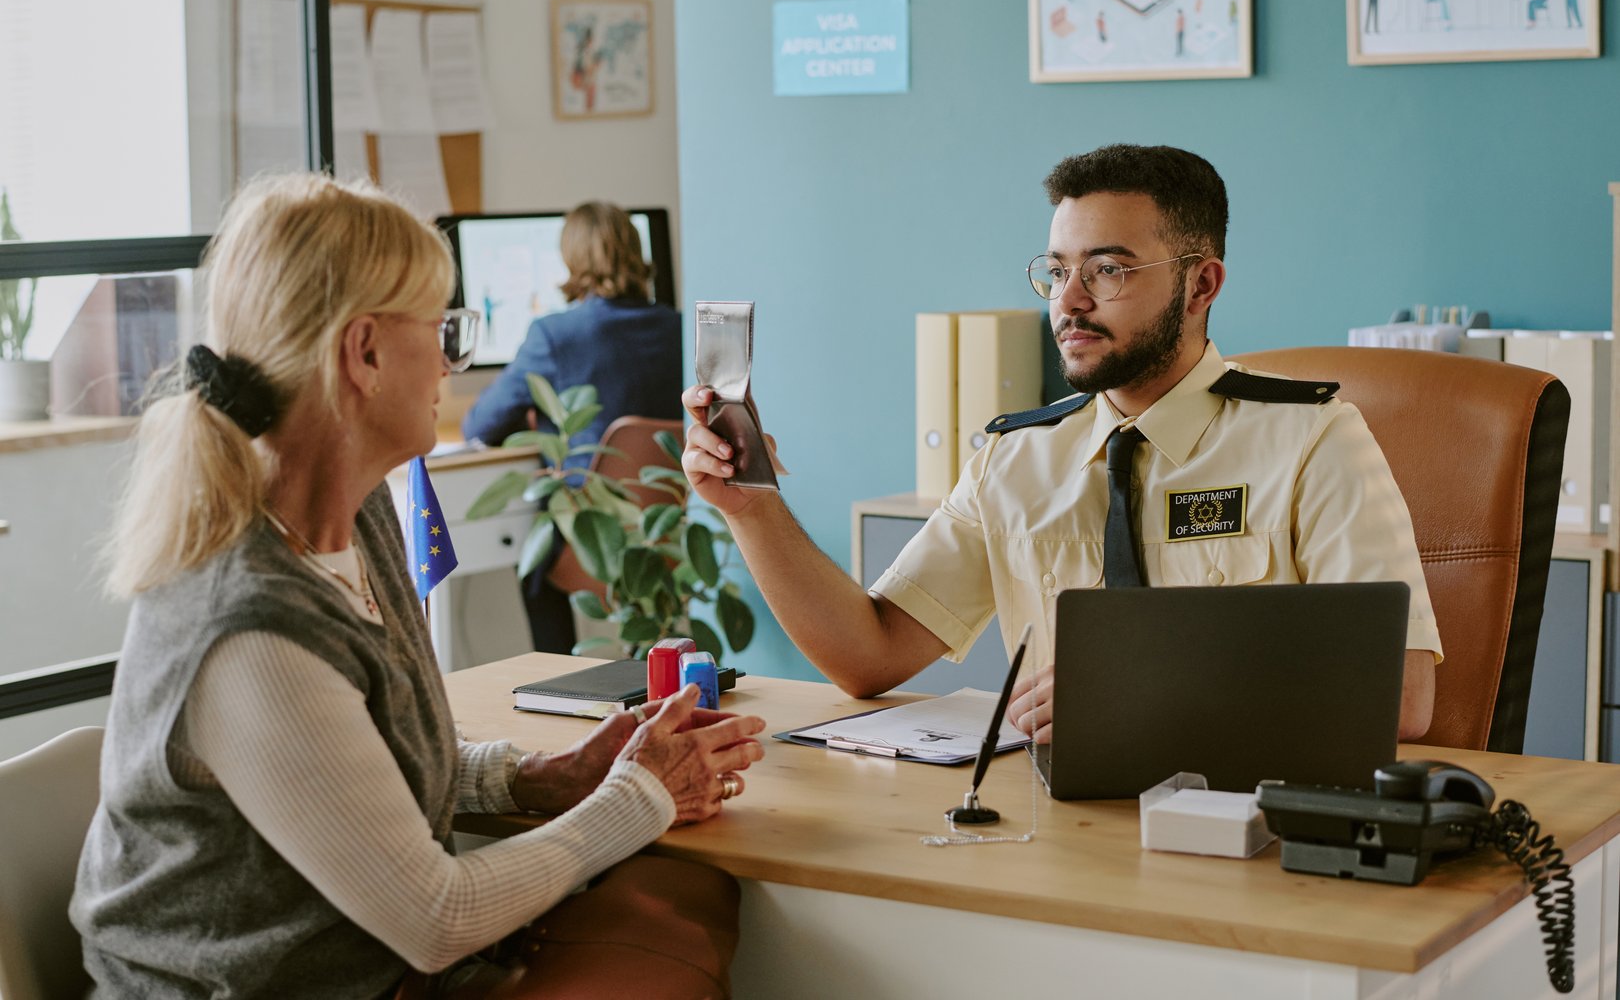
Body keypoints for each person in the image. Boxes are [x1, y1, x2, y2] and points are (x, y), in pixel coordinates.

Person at [73, 173, 764, 999]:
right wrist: (642, 793)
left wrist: (540, 776)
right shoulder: (249, 630)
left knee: (695, 897)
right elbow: (435, 919)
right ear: (363, 353)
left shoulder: (359, 518)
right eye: (442, 329)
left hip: (375, 965)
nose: (450, 360)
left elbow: (366, 776)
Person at [678, 144, 1440, 747]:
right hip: (1058, 828)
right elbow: (867, 657)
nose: (1069, 300)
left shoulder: (1313, 440)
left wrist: (1154, 693)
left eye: (1107, 270)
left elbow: (1402, 697)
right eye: (1058, 270)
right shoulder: (1017, 459)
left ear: (1202, 285)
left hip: (1247, 830)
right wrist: (751, 509)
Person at [462, 201, 682, 654]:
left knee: (535, 561)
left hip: (592, 538)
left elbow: (481, 424)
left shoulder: (555, 334)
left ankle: (554, 678)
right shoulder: (677, 328)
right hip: (668, 533)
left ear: (572, 260)